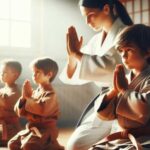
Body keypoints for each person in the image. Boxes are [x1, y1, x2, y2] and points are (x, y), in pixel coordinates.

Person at [59, 0, 133, 149]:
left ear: (106, 9)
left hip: (127, 102)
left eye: (91, 15)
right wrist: (72, 56)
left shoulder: (127, 33)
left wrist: (77, 54)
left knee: (120, 143)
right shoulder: (96, 40)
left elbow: (114, 66)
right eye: (85, 17)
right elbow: (77, 71)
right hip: (106, 102)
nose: (87, 21)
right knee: (75, 145)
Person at [90, 24, 150, 150]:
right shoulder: (125, 78)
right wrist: (114, 91)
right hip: (121, 138)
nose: (123, 56)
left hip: (145, 139)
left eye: (129, 50)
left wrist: (124, 90)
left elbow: (145, 110)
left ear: (147, 51)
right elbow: (106, 114)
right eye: (121, 51)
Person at [8, 58, 64, 150]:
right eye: (33, 72)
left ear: (49, 74)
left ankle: (52, 145)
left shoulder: (51, 94)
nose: (34, 75)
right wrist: (23, 97)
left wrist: (27, 98)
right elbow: (20, 112)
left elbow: (43, 110)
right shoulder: (33, 93)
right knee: (12, 144)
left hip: (46, 130)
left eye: (37, 72)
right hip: (33, 128)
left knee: (28, 146)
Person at [0, 59, 22, 146]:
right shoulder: (2, 90)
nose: (1, 74)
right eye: (1, 72)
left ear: (15, 75)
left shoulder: (17, 92)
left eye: (4, 72)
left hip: (10, 129)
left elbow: (5, 103)